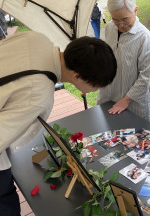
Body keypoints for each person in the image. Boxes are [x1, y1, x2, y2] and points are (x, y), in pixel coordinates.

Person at [0, 31, 117, 215]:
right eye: (97, 86)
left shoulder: (36, 38)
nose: (98, 90)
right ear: (77, 77)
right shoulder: (39, 94)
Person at [97, 0, 150, 120]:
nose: (120, 25)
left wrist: (126, 100)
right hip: (110, 96)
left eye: (125, 19)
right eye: (116, 19)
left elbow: (145, 77)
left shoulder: (144, 37)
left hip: (136, 105)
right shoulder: (110, 27)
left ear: (135, 10)